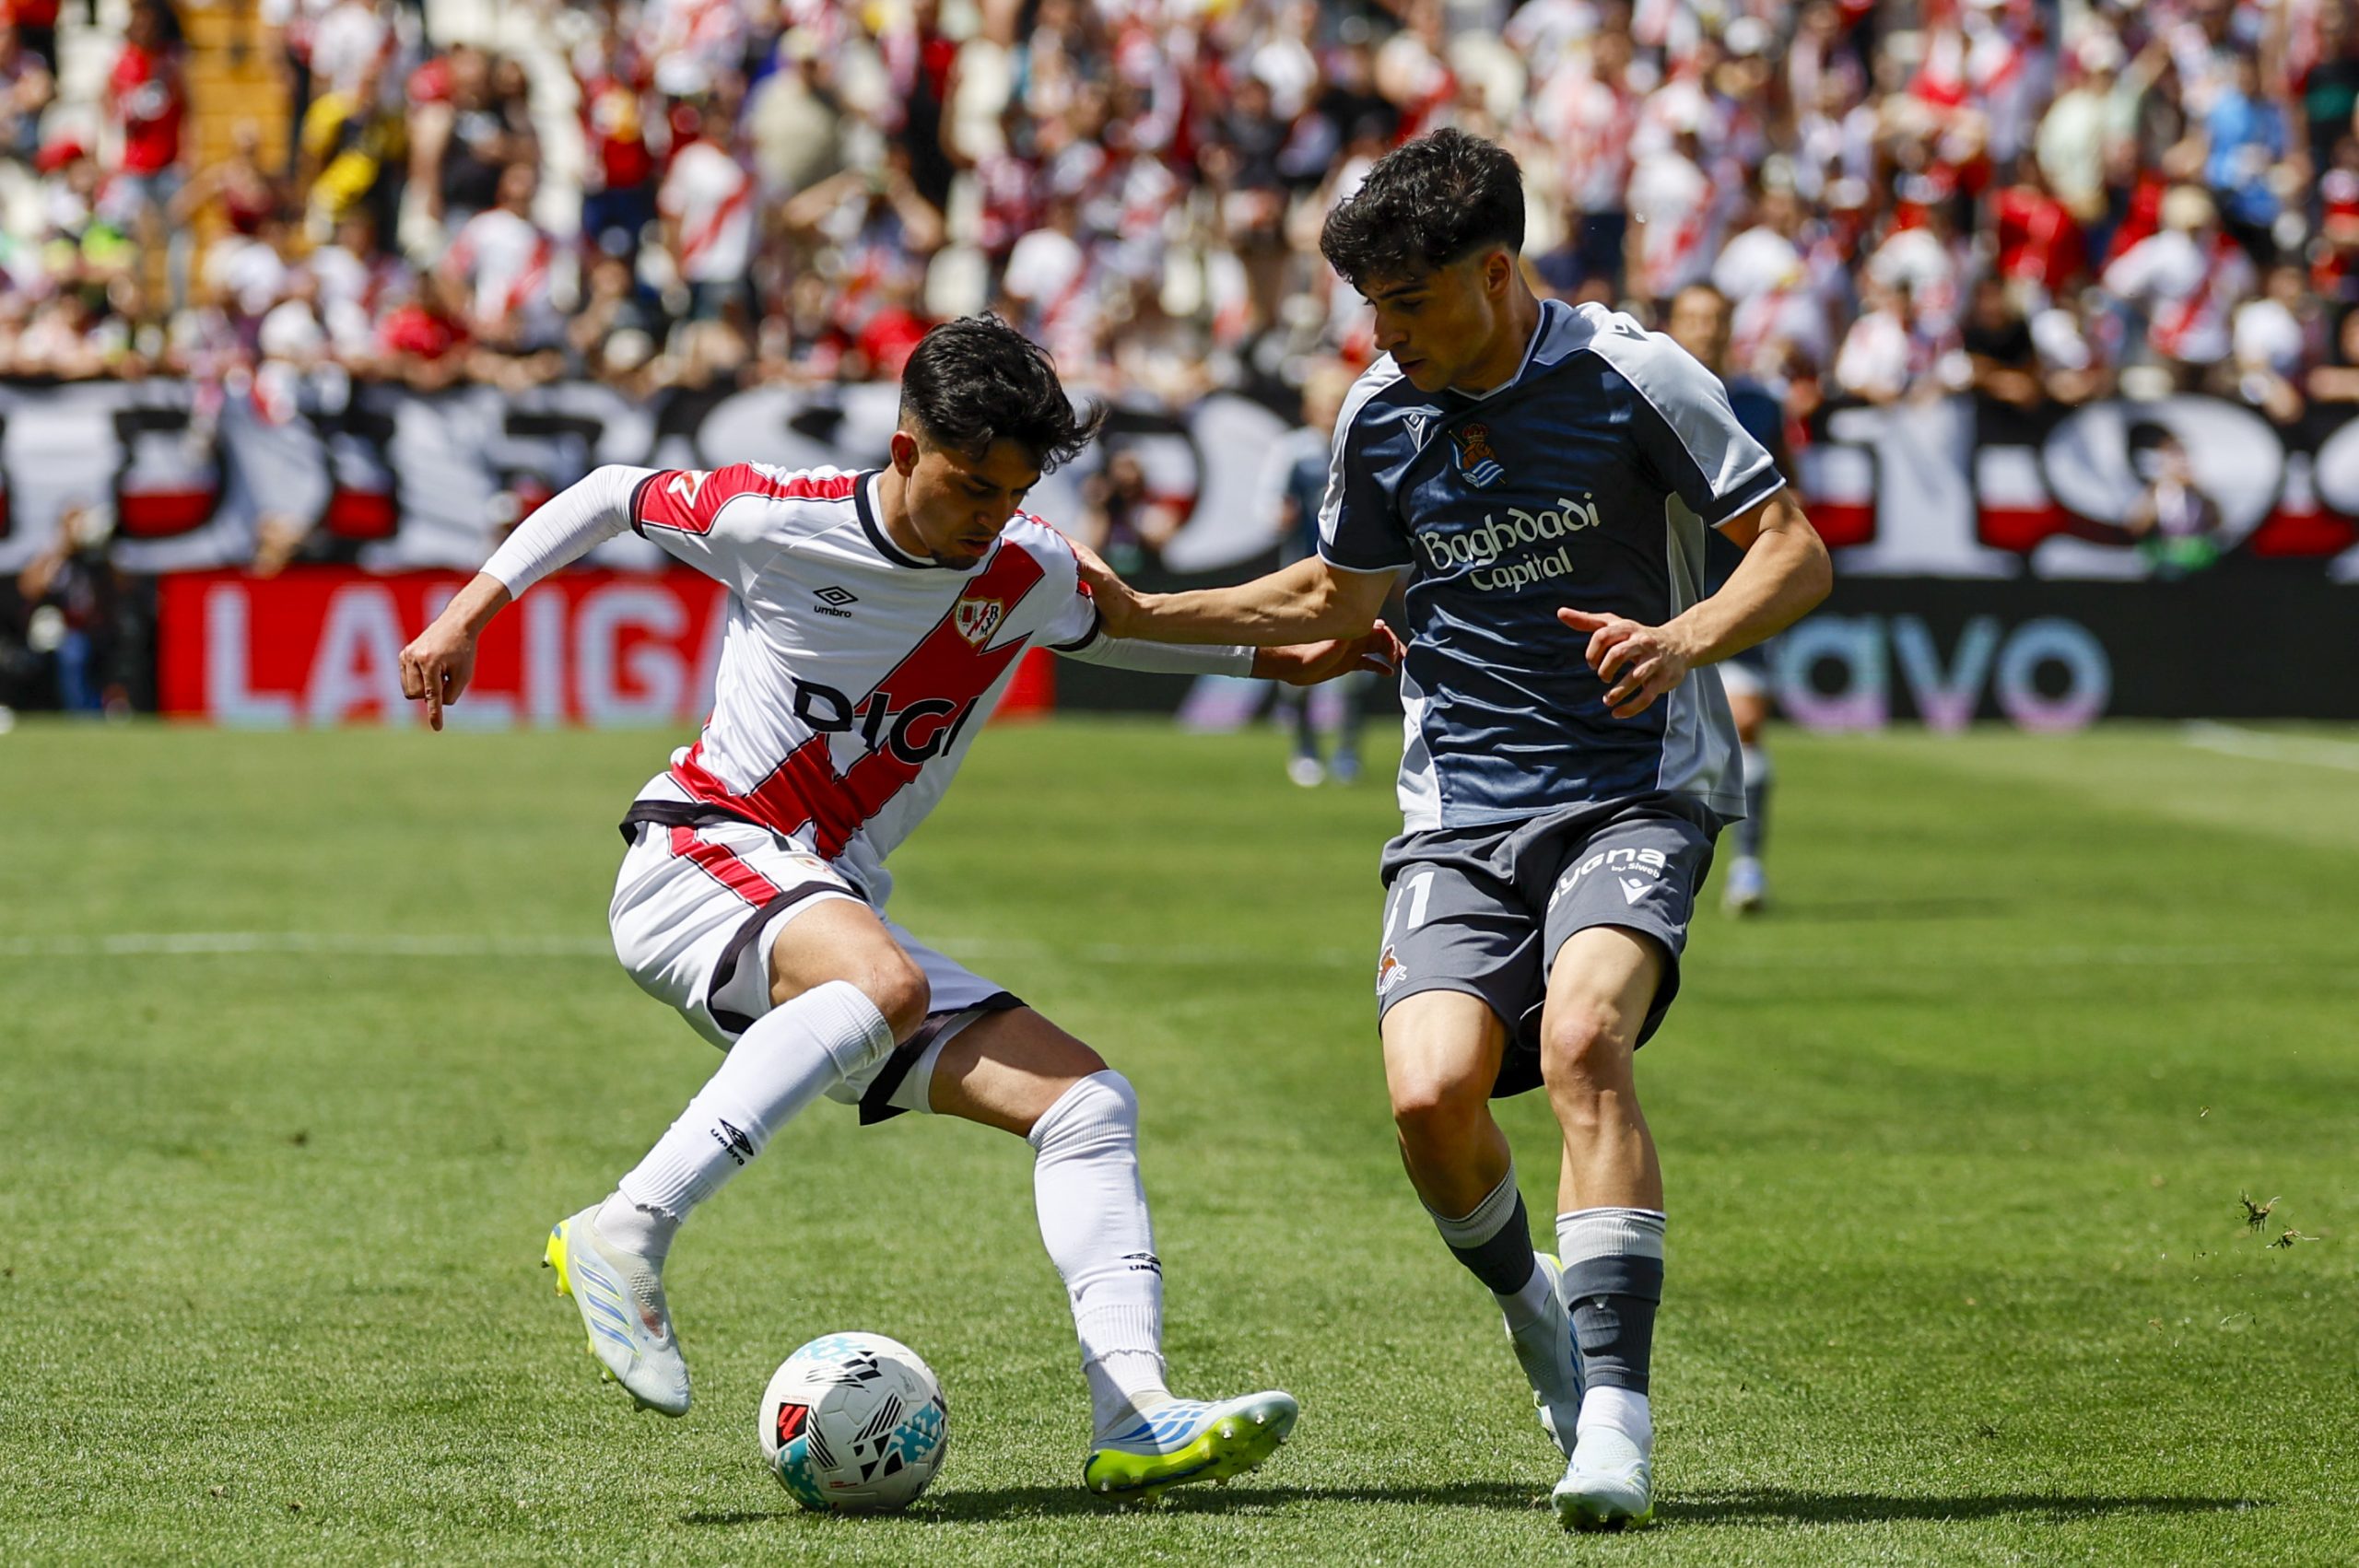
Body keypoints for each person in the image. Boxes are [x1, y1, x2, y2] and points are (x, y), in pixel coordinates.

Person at [395, 316, 1396, 1501]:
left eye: (1014, 491)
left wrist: (1276, 661)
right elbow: (614, 491)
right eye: (973, 486)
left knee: (1085, 1105)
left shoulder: (1024, 565)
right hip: (702, 853)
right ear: (905, 448)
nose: (992, 515)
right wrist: (466, 615)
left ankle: (1133, 1412)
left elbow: (1120, 623)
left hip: (823, 905)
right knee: (885, 983)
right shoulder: (779, 517)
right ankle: (628, 1227)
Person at [1081, 130, 1831, 1530]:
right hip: (1458, 811)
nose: (1386, 333)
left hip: (1632, 786)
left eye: (1409, 302)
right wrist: (1137, 615)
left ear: (1495, 273)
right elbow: (1335, 599)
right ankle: (1537, 1313)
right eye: (1371, 306)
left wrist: (1681, 639)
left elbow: (1791, 549)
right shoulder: (1379, 414)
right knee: (1429, 1101)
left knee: (1584, 1040)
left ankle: (1615, 1417)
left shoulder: (1635, 375)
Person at [1663, 282, 1797, 915]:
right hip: (1660, 588)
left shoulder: (1759, 405)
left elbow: (1785, 495)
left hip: (1734, 586)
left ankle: (1748, 866)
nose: (1706, 329)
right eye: (1693, 318)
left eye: (1716, 318)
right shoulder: (1647, 393)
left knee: (1745, 723)